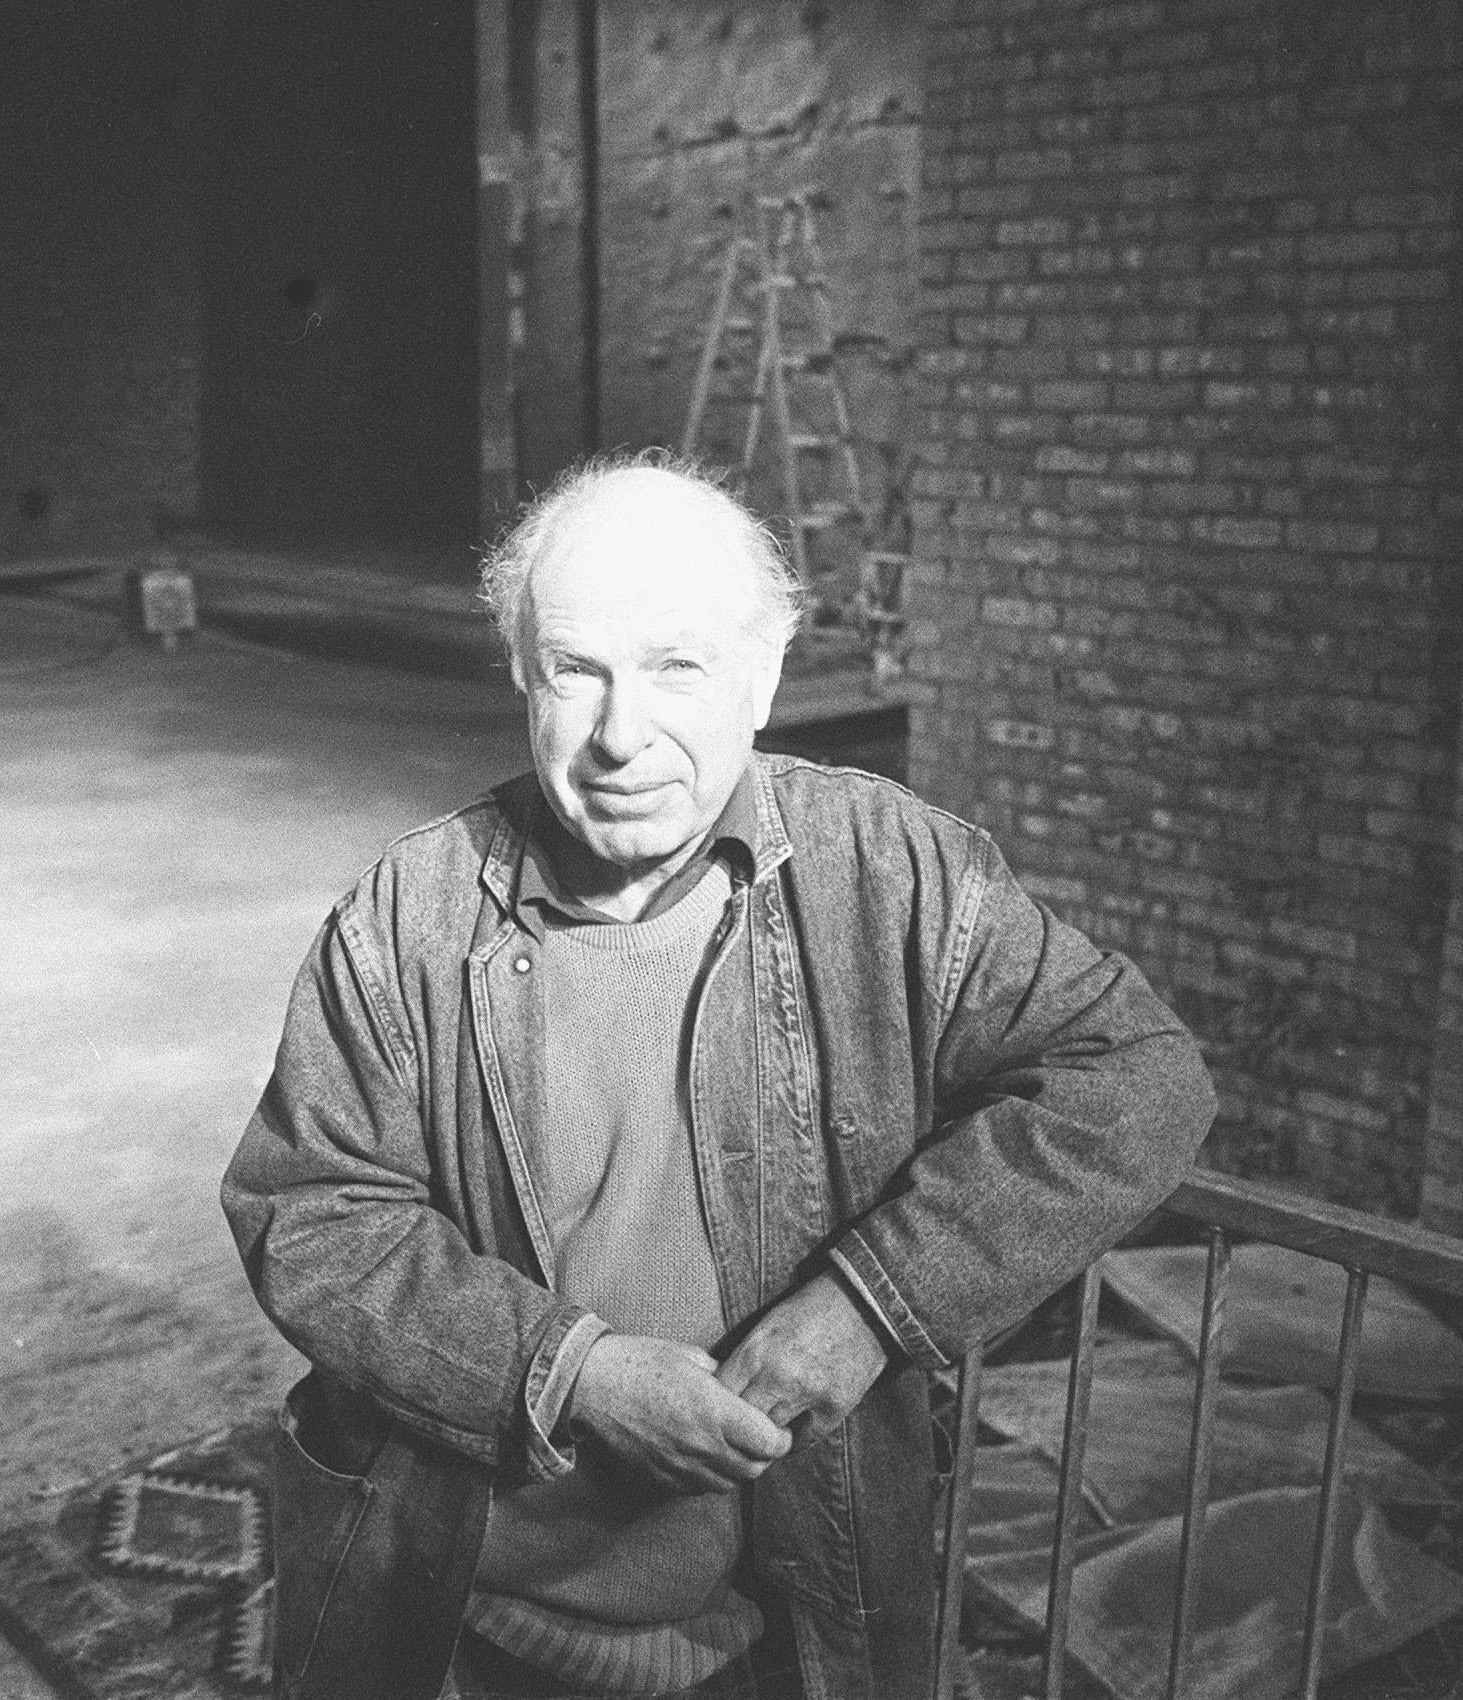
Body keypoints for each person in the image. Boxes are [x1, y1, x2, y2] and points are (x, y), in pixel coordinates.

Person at [221, 452, 1216, 1700]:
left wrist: (868, 1304)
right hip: (482, 1613)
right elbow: (309, 1213)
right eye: (576, 671)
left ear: (763, 676)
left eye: (676, 666)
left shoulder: (890, 868)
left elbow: (1136, 1070)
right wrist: (569, 1370)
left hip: (799, 1616)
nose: (621, 735)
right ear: (524, 678)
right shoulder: (404, 916)